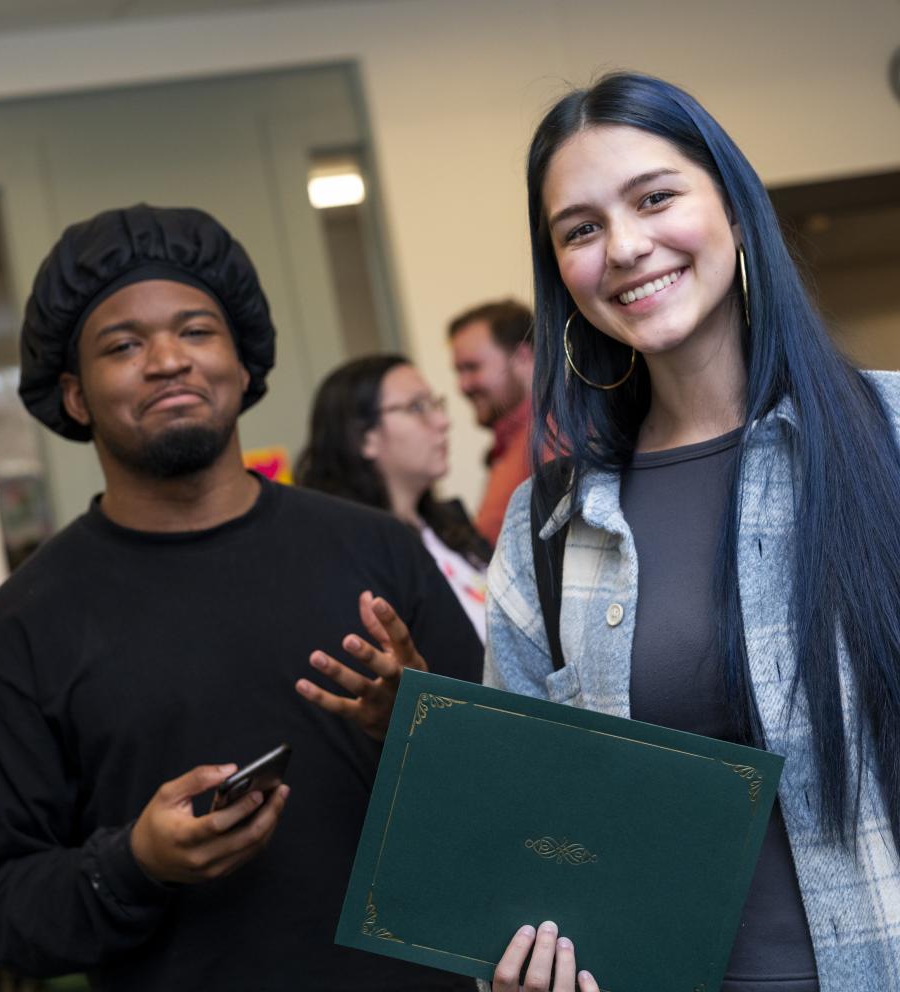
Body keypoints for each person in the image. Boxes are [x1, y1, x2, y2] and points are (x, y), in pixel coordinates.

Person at [310, 72, 900, 991]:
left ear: (736, 212)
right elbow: (528, 834)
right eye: (580, 229)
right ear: (561, 275)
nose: (625, 247)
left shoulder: (889, 436)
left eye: (656, 198)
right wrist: (507, 959)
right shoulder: (547, 526)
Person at [0, 204, 482, 991]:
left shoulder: (380, 551)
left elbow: (511, 799)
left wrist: (422, 728)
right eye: (123, 345)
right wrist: (133, 865)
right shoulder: (19, 630)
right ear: (76, 396)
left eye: (196, 331)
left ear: (241, 361)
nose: (167, 360)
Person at [296, 354, 491, 642]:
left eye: (436, 404)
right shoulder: (352, 556)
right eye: (417, 407)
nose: (442, 421)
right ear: (364, 438)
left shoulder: (451, 521)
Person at [447, 300, 535, 546]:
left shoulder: (555, 436)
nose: (463, 386)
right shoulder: (513, 444)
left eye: (472, 367)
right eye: (458, 371)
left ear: (522, 358)